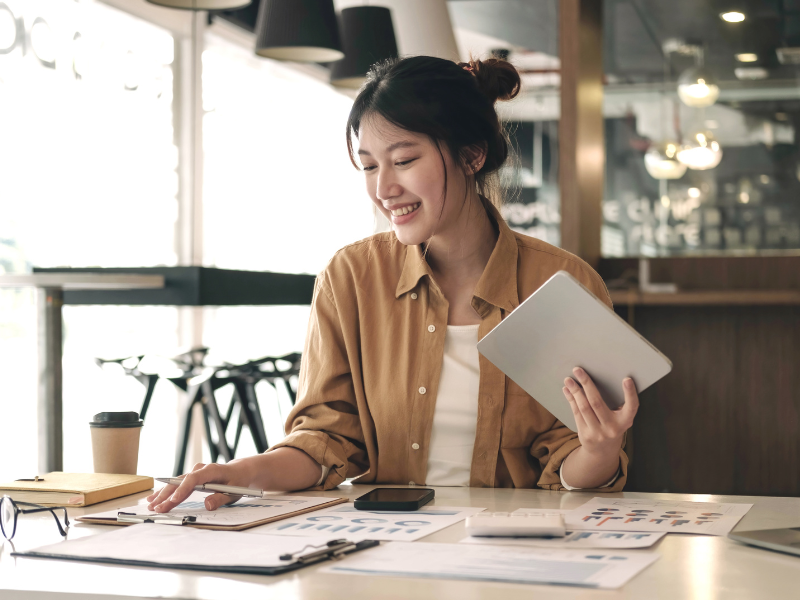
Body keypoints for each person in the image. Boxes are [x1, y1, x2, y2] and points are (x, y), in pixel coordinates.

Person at [147, 56, 638, 514]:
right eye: (369, 165)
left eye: (403, 160)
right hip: (384, 542)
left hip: (513, 550)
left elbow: (575, 460)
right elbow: (325, 440)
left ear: (471, 156)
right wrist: (237, 473)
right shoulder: (351, 278)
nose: (383, 188)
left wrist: (600, 448)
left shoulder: (562, 284)